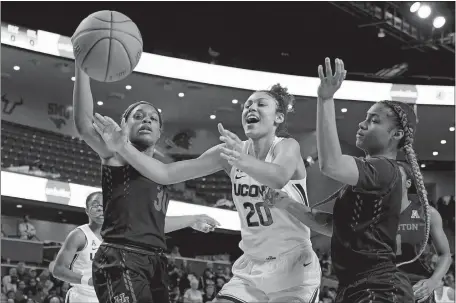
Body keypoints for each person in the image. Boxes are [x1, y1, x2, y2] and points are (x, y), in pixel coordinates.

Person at [93, 83, 321, 303]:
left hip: (293, 263)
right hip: (253, 266)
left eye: (261, 104)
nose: (251, 108)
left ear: (278, 117)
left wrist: (241, 159)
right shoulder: (230, 153)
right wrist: (122, 146)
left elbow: (277, 177)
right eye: (247, 105)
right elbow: (166, 173)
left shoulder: (286, 146)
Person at [267, 58, 431, 302]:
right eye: (366, 117)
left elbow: (330, 164)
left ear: (396, 135)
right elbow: (335, 227)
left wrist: (325, 99)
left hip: (379, 289)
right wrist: (287, 204)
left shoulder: (384, 169)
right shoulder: (372, 173)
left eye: (375, 120)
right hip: (360, 287)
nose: (363, 124)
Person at [73, 66, 220, 303]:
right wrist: (83, 69)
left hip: (155, 261)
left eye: (153, 119)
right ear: (124, 124)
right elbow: (82, 123)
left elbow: (153, 225)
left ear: (159, 132)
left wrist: (192, 219)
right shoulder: (116, 156)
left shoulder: (161, 173)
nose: (146, 121)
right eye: (138, 116)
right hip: (120, 257)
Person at [396, 163, 452, 303]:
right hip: (383, 287)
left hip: (418, 288)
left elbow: (445, 255)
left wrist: (432, 282)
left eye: (397, 175)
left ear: (408, 183)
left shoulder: (427, 213)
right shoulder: (373, 214)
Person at [49, 192, 104, 303]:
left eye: (104, 205)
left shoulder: (116, 236)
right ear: (87, 210)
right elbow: (58, 270)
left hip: (107, 296)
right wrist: (87, 280)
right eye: (96, 205)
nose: (100, 209)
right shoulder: (78, 235)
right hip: (82, 296)